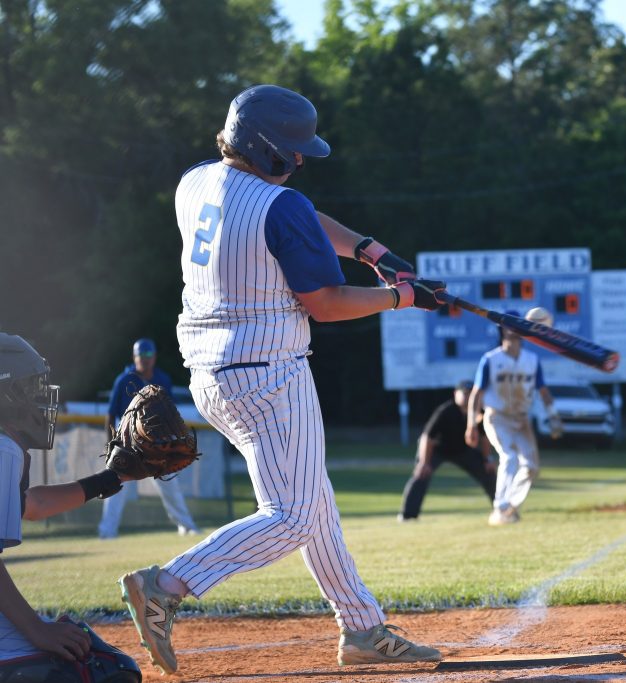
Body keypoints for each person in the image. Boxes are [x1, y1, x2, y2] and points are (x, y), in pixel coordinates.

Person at [117, 84, 447, 675]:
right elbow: (325, 302)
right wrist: (401, 297)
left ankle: (361, 627)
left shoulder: (195, 181)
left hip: (210, 375)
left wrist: (368, 250)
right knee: (292, 514)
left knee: (312, 501)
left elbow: (291, 216)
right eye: (293, 151)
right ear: (265, 147)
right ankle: (166, 585)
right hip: (268, 374)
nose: (299, 160)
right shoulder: (280, 205)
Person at [0, 333, 142, 682]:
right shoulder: (4, 448)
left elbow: (31, 505)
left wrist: (111, 479)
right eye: (30, 388)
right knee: (97, 671)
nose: (40, 398)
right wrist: (37, 629)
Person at [97, 338, 201, 539]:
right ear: (134, 357)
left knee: (170, 485)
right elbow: (110, 414)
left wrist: (171, 441)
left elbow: (170, 413)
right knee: (115, 486)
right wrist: (110, 445)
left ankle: (186, 526)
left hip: (155, 444)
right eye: (140, 355)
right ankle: (106, 532)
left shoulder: (162, 379)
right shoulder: (124, 380)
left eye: (148, 354)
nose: (144, 359)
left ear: (154, 357)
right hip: (127, 443)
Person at [465, 313, 562, 526]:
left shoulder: (531, 360)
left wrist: (553, 415)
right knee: (509, 457)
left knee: (532, 467)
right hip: (497, 416)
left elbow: (543, 391)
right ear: (501, 330)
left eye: (517, 325)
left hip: (521, 419)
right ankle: (500, 506)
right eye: (509, 325)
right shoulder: (491, 359)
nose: (513, 329)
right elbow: (476, 393)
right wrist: (471, 424)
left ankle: (510, 506)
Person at [398, 381, 496, 521]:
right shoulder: (445, 411)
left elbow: (484, 437)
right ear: (456, 394)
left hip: (463, 450)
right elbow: (427, 437)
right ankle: (408, 515)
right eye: (465, 393)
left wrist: (487, 459)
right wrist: (424, 463)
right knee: (421, 474)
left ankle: (501, 508)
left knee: (488, 471)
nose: (468, 397)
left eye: (471, 394)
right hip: (438, 449)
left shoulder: (478, 413)